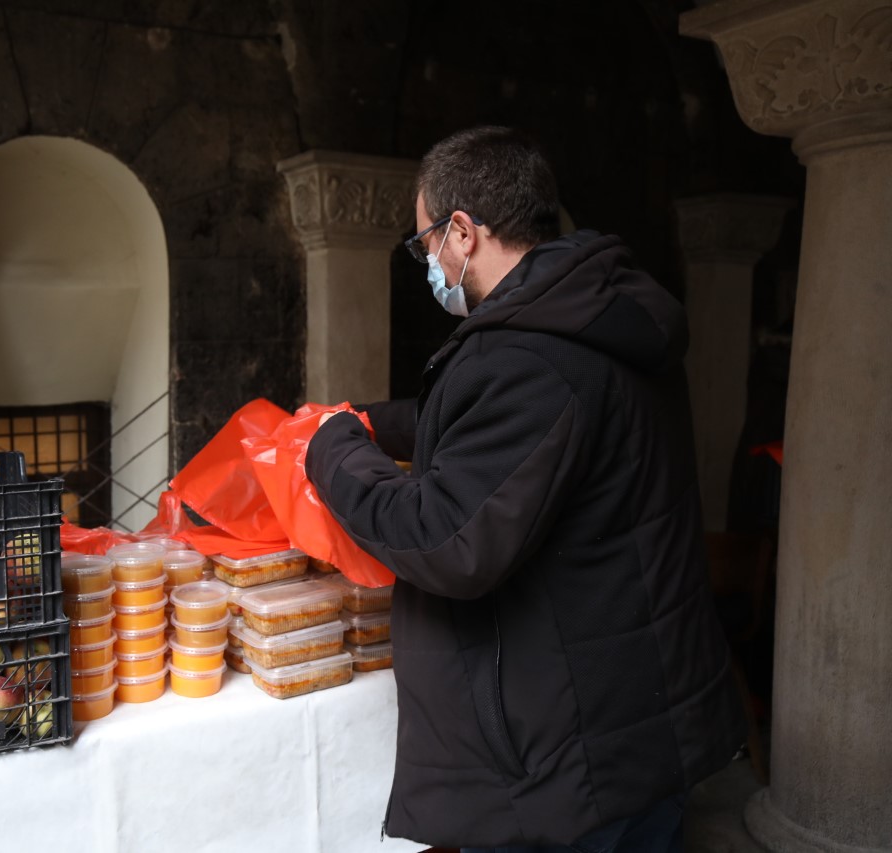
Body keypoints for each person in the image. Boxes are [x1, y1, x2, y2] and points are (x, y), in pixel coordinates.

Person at [305, 126, 744, 852]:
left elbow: (444, 535)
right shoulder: (594, 316)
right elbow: (508, 433)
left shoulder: (530, 356)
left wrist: (332, 449)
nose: (427, 265)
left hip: (573, 757)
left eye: (424, 246)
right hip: (638, 720)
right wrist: (371, 422)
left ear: (463, 233)